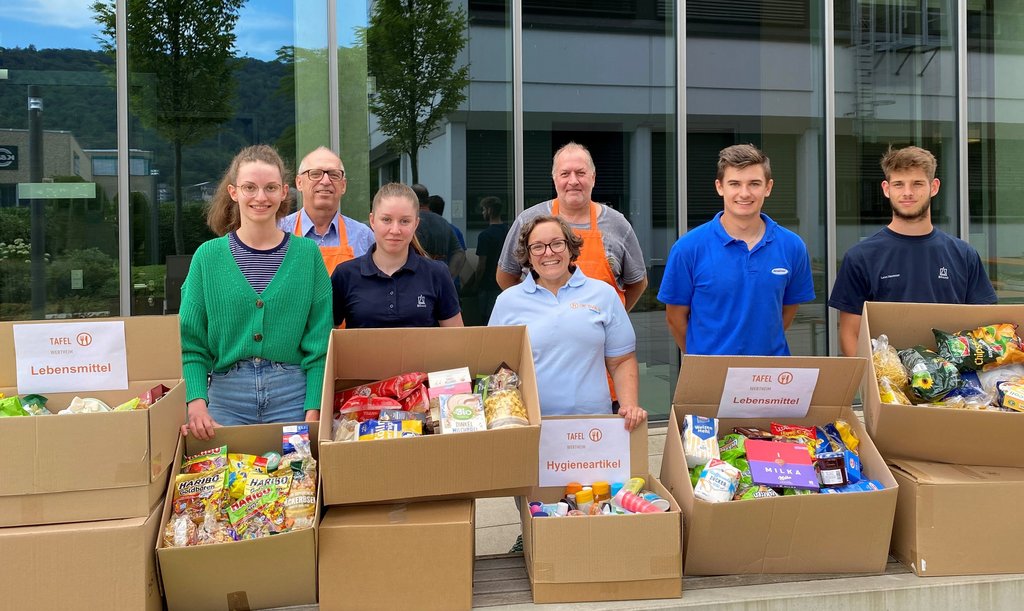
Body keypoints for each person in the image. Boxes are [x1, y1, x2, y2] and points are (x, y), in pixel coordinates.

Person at [179, 144, 332, 440]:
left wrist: (314, 407)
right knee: (227, 485)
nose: (261, 197)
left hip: (292, 396)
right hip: (225, 398)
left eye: (270, 188)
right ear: (234, 192)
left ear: (284, 192)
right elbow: (190, 342)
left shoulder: (307, 255)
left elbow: (320, 342)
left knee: (295, 483)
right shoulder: (207, 258)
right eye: (250, 187)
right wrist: (196, 403)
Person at [829, 145, 997, 356]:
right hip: (888, 383)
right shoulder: (860, 257)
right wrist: (870, 384)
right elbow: (850, 333)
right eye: (898, 184)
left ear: (934, 187)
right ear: (886, 188)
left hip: (954, 384)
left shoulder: (963, 255)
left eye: (917, 184)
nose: (907, 193)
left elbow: (984, 327)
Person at [489, 215, 647, 431]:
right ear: (528, 255)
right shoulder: (507, 302)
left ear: (570, 248)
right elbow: (498, 369)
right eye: (537, 247)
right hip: (531, 426)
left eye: (557, 243)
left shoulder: (603, 294)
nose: (548, 252)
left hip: (593, 426)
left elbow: (622, 360)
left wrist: (629, 406)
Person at [658, 143, 815, 356]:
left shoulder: (792, 246)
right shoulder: (688, 248)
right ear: (720, 187)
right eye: (734, 184)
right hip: (710, 378)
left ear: (768, 188)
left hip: (770, 376)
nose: (744, 193)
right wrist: (703, 357)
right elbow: (675, 318)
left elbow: (787, 311)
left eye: (754, 184)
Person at [495, 142, 648, 311]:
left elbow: (637, 283)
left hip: (601, 334)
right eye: (565, 174)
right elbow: (506, 276)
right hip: (543, 332)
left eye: (581, 173)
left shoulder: (618, 224)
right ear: (555, 179)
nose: (573, 181)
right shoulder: (529, 220)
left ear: (593, 177)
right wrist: (531, 310)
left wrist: (615, 316)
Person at [332, 182, 464, 328]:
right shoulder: (345, 275)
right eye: (386, 220)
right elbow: (327, 336)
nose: (395, 230)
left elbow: (455, 339)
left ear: (416, 224)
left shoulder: (437, 274)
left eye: (404, 221)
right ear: (372, 221)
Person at [278, 146, 374, 275]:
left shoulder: (363, 237)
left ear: (343, 186)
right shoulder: (279, 231)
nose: (325, 181)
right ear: (299, 183)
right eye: (315, 174)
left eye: (334, 175)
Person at [469, 196, 510, 323]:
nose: (482, 213)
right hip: (506, 283)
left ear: (489, 210)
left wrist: (475, 285)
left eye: (483, 210)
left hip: (488, 285)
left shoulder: (485, 236)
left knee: (486, 320)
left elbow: (482, 265)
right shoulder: (508, 231)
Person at [412, 183, 466, 280]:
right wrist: (449, 277)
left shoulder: (410, 223)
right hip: (440, 278)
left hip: (416, 280)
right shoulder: (443, 223)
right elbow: (459, 253)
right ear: (428, 201)